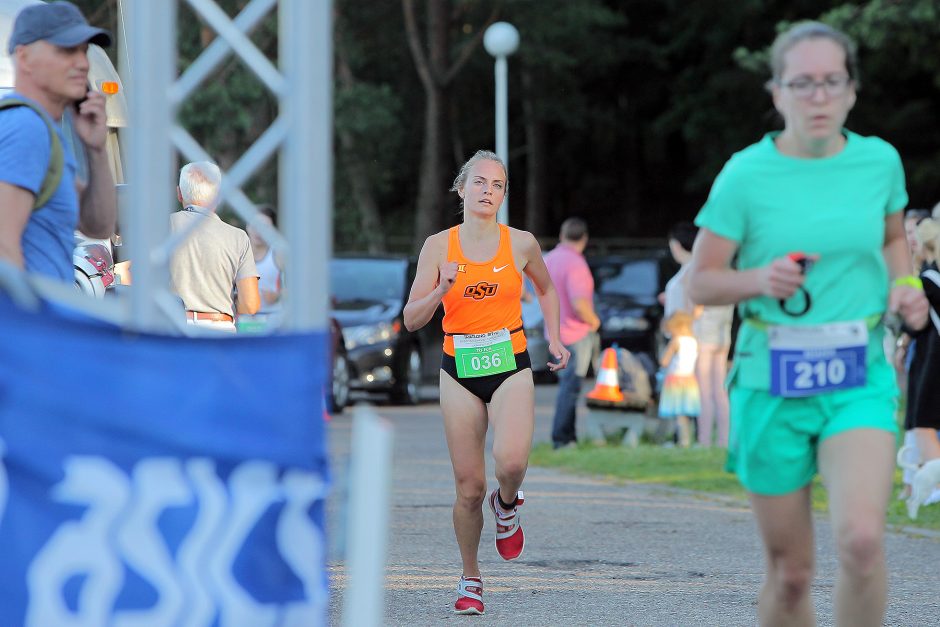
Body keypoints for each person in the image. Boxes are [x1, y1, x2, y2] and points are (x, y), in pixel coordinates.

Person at [686, 22, 928, 626]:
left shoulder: (879, 161)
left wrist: (904, 287)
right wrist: (757, 280)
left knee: (863, 542)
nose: (818, 97)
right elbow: (700, 281)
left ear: (851, 90)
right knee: (792, 575)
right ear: (777, 92)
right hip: (771, 381)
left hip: (857, 374)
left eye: (831, 82)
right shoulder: (746, 174)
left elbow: (894, 235)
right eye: (803, 83)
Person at [403, 149, 569, 616]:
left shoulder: (520, 243)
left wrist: (555, 337)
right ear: (461, 188)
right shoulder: (438, 246)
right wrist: (440, 290)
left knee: (511, 461)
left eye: (497, 185)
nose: (488, 191)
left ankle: (509, 503)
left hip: (510, 359)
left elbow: (547, 288)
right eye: (479, 182)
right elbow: (412, 319)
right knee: (469, 487)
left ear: (504, 194)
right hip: (459, 367)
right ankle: (471, 577)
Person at [0, 1, 116, 281]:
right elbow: (4, 248)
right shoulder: (27, 128)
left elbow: (97, 225)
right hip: (30, 323)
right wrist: (30, 322)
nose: (83, 63)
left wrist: (96, 149)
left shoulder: (43, 130)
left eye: (84, 50)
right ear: (24, 57)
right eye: (66, 50)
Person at [169, 162, 260, 332]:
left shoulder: (161, 226)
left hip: (173, 328)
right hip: (220, 333)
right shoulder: (238, 237)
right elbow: (250, 305)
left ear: (179, 194)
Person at [543, 217, 601, 449]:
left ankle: (568, 437)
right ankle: (563, 438)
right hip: (575, 335)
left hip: (554, 333)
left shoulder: (548, 260)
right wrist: (594, 321)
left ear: (561, 235)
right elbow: (579, 303)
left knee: (566, 387)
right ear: (584, 239)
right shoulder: (576, 264)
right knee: (571, 388)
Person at [694, 302, 734, 448]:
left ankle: (704, 440)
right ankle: (724, 440)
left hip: (704, 338)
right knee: (721, 392)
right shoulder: (729, 281)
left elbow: (696, 311)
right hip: (723, 338)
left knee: (704, 392)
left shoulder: (707, 281)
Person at [238, 204, 283, 332]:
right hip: (243, 322)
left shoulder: (279, 254)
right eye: (255, 225)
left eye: (265, 228)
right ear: (247, 226)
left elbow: (301, 288)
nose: (259, 231)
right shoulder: (236, 253)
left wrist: (278, 295)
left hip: (273, 321)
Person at [658, 311, 700, 447]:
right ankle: (695, 439)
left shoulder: (676, 341)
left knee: (678, 412)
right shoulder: (694, 341)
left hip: (675, 380)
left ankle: (681, 440)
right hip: (690, 380)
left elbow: (664, 361)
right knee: (690, 411)